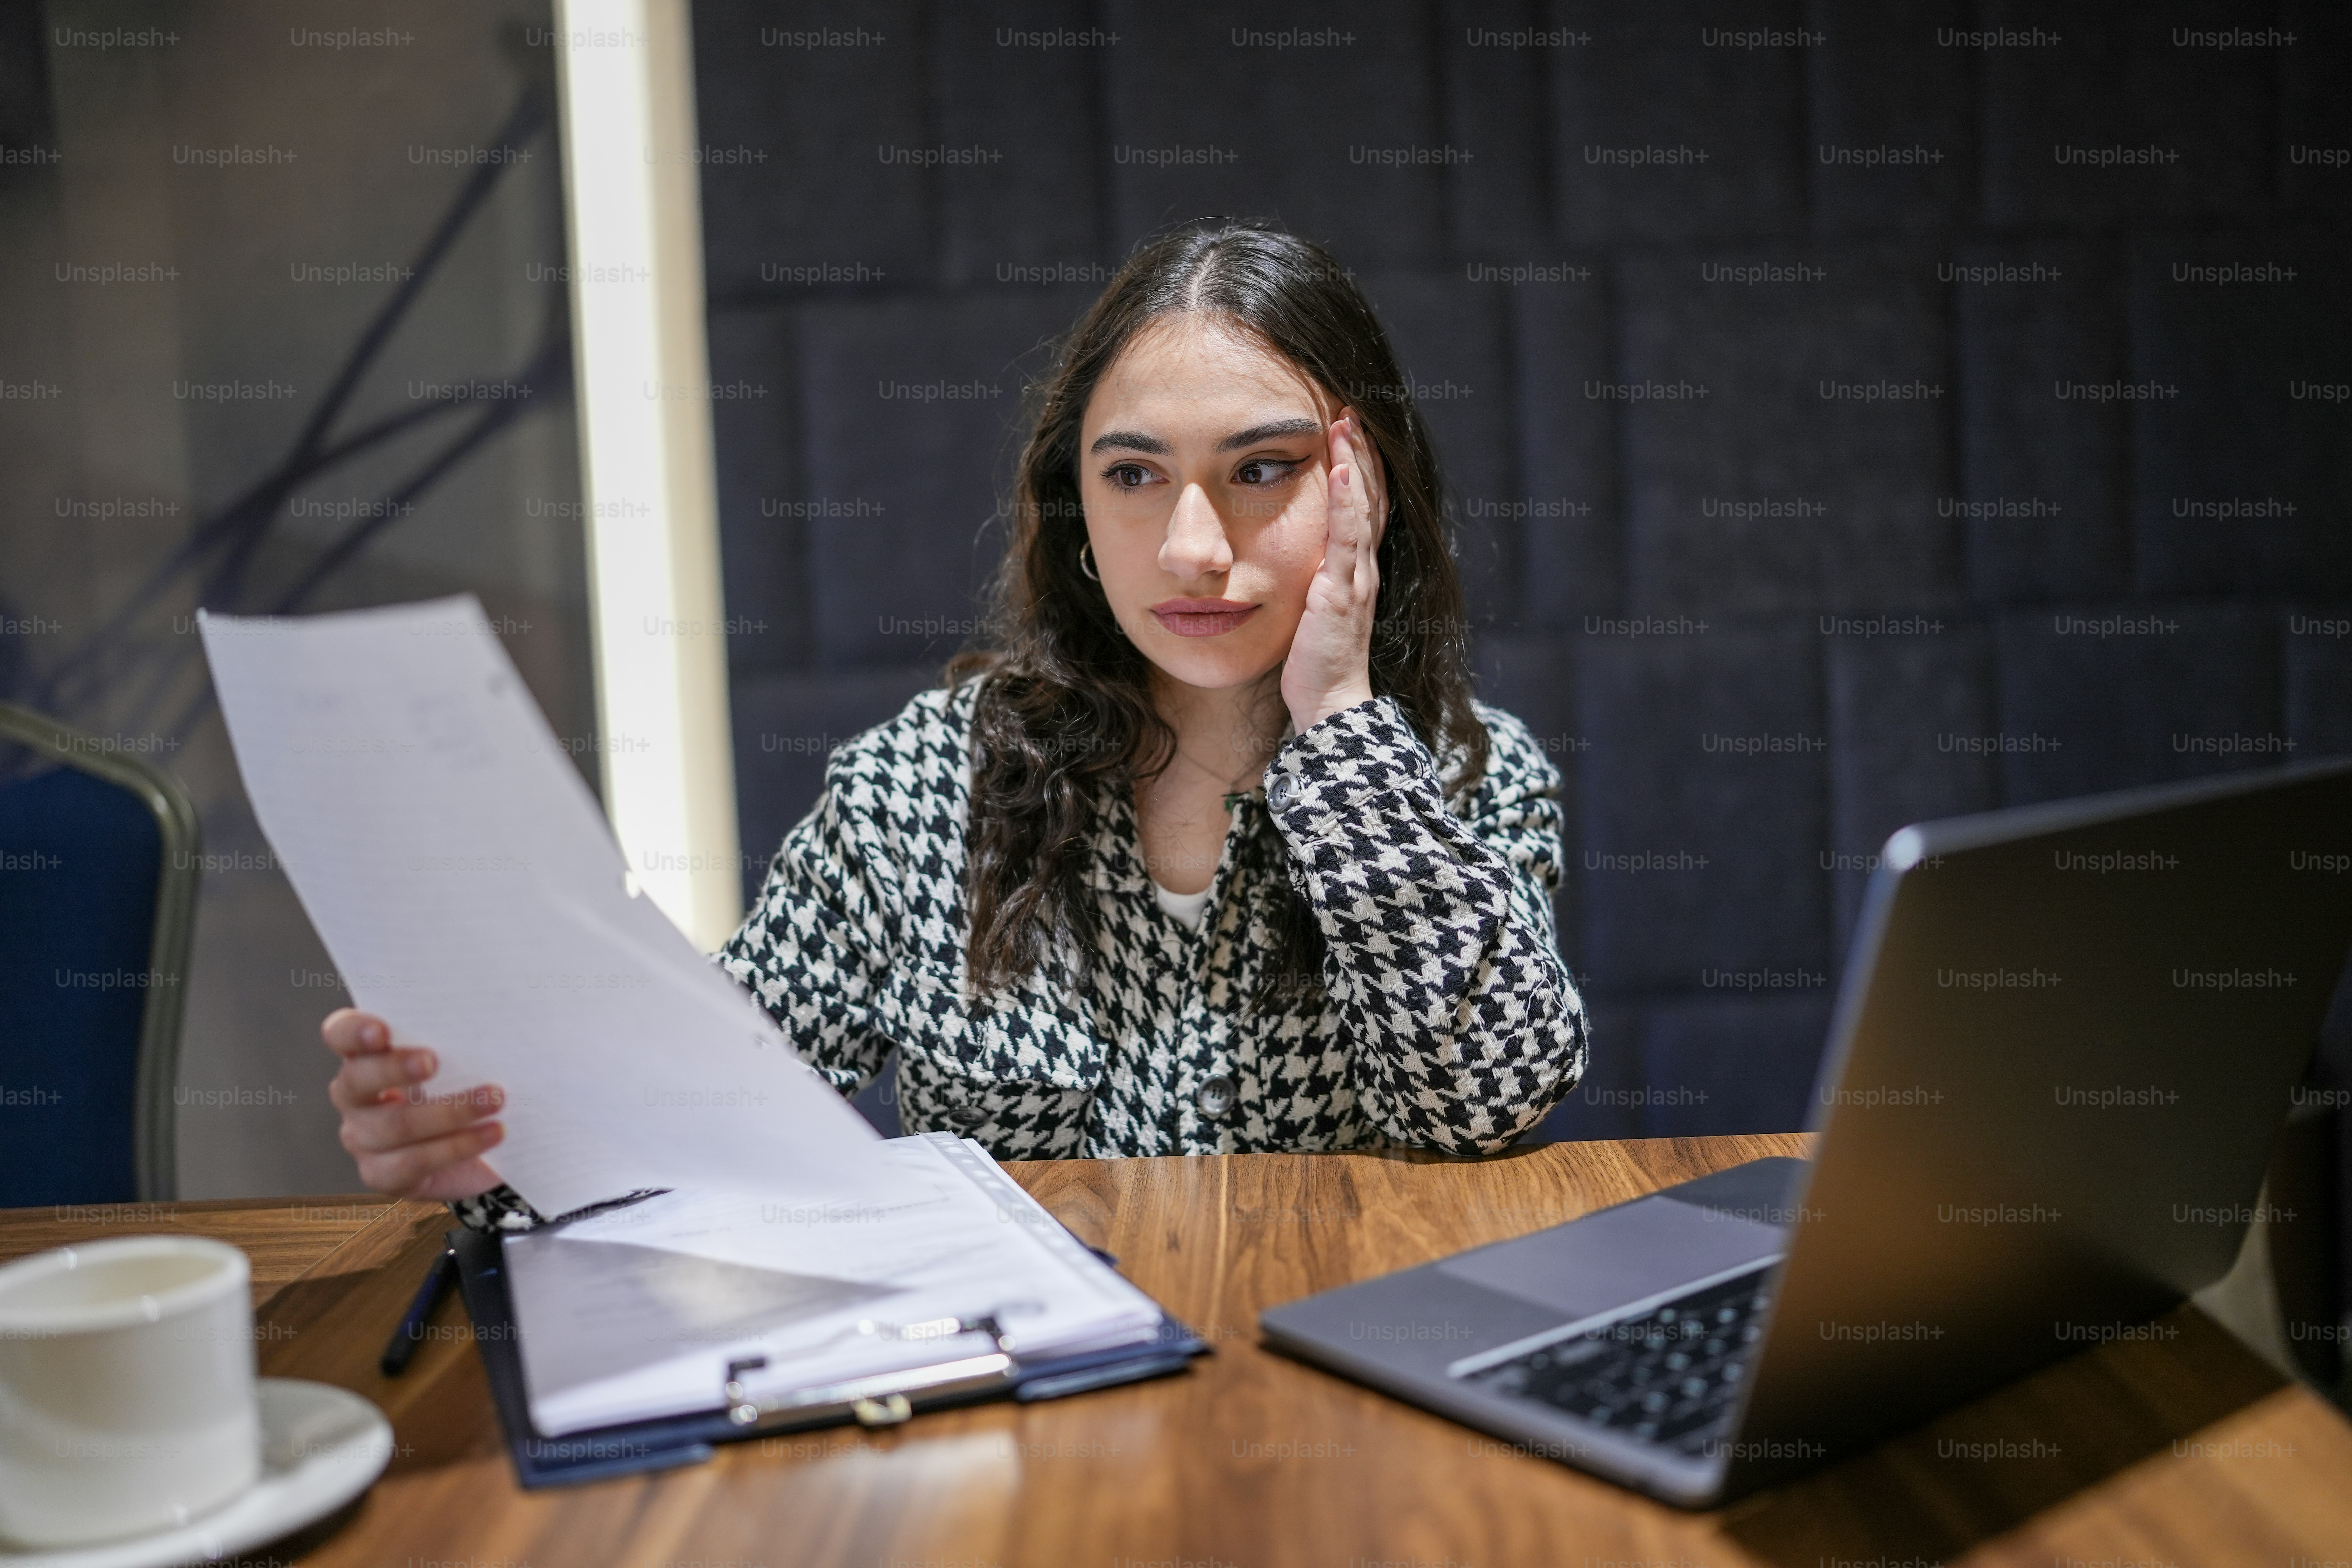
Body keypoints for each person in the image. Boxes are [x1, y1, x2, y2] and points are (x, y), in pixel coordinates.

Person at [321, 224, 1591, 1227]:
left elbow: (1487, 1103)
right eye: (1134, 476)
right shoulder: (921, 789)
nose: (1194, 548)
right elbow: (693, 1119)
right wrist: (485, 1147)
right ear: (1078, 510)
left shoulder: (1465, 775)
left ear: (1363, 487)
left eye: (1264, 469)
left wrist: (1341, 732)